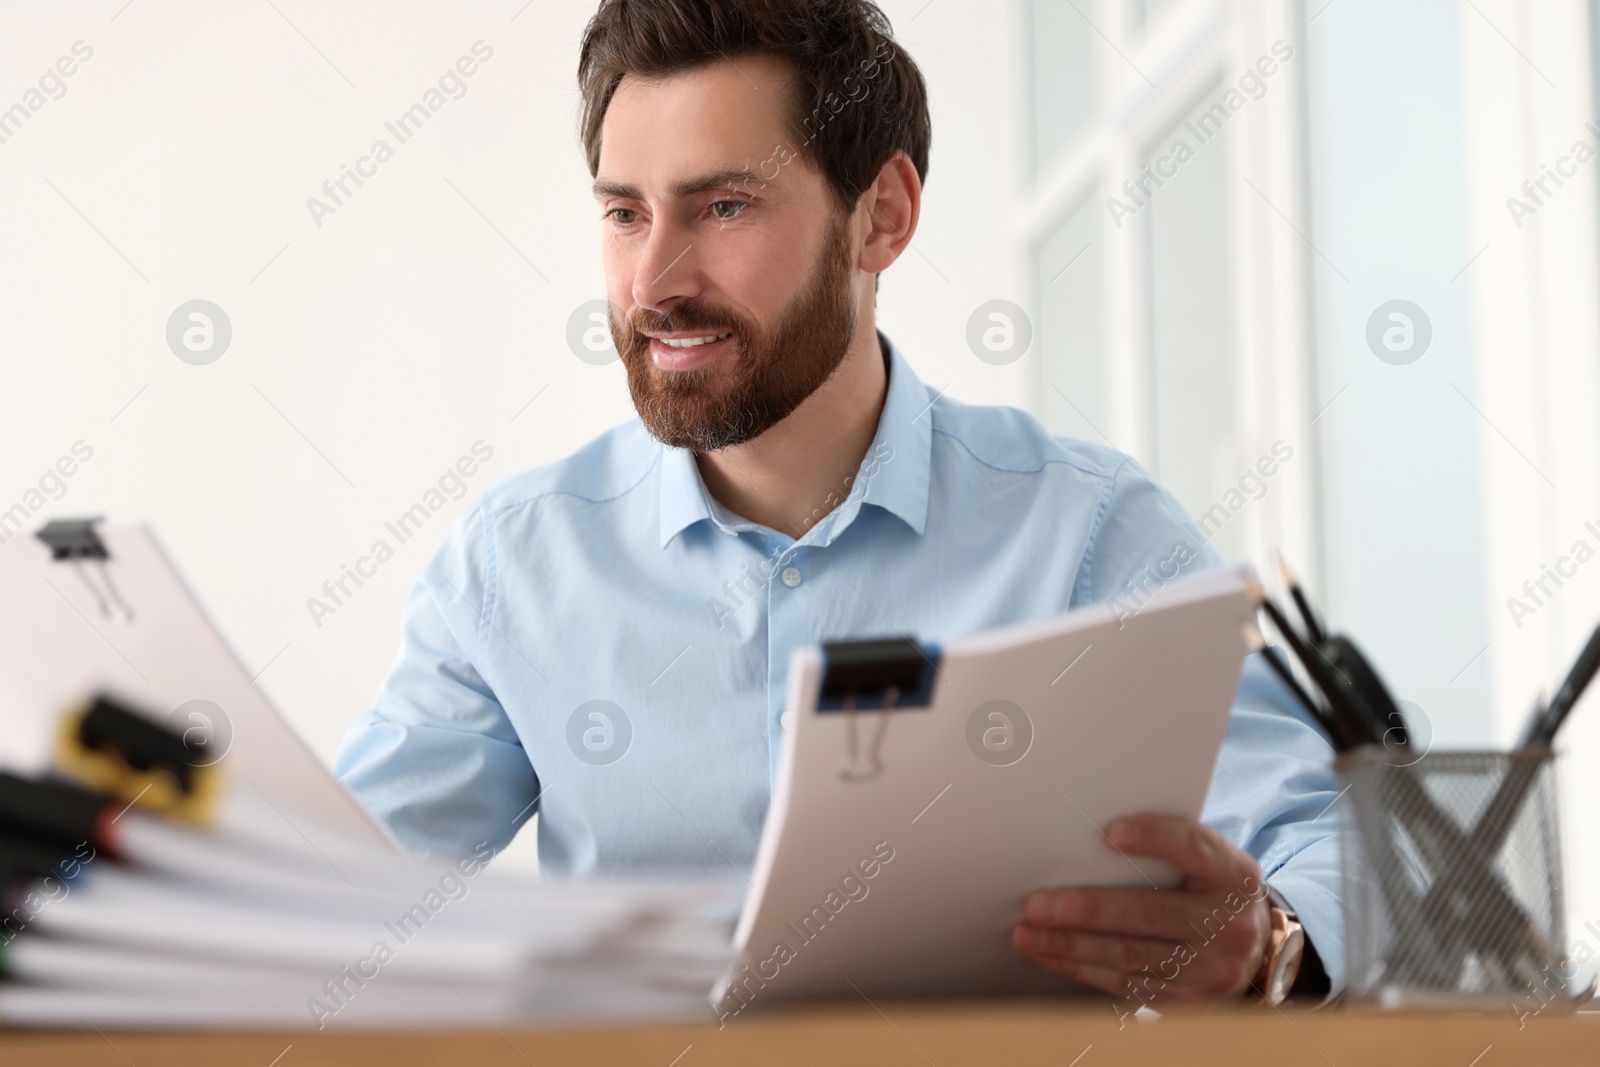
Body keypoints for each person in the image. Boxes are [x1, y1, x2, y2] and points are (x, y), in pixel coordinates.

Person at [335, 0, 1341, 1007]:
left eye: (724, 206)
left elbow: (1324, 840)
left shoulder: (1087, 531)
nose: (654, 282)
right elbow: (331, 907)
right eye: (625, 213)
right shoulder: (513, 566)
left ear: (882, 215)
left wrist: (1268, 948)